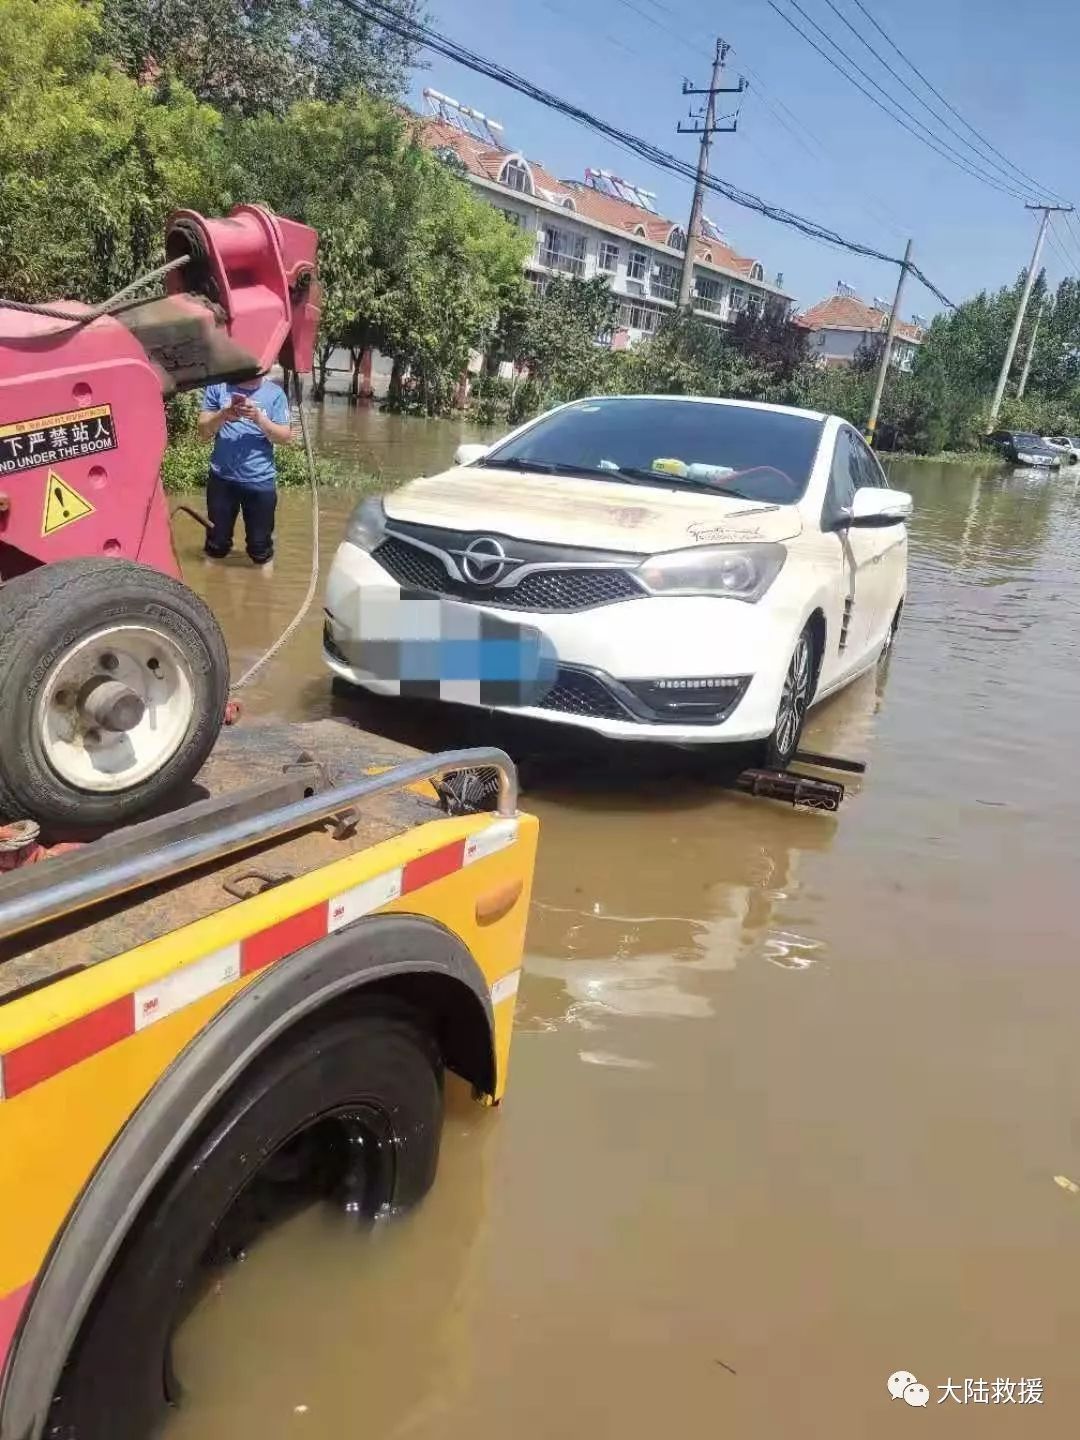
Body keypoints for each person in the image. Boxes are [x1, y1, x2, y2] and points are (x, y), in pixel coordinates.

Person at [197, 372, 292, 573]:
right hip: (221, 479)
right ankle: (208, 593)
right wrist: (223, 415)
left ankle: (266, 592)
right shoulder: (218, 387)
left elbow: (284, 437)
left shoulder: (275, 394)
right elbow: (203, 430)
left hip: (260, 481)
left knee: (261, 549)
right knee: (216, 544)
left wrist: (259, 418)